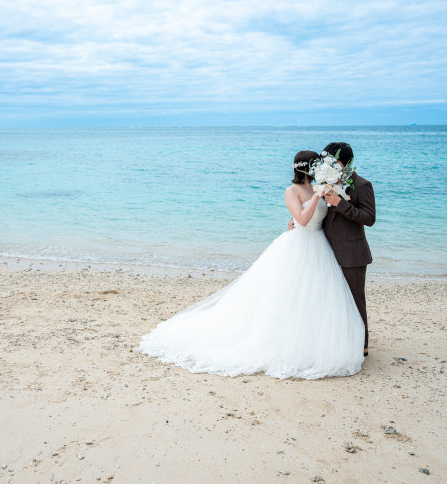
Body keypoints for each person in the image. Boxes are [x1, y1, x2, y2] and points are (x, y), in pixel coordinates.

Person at [137, 150, 365, 380]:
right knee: (287, 294)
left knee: (316, 295)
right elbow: (304, 219)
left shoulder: (318, 186)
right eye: (315, 166)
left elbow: (324, 216)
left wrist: (321, 194)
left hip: (319, 245)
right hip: (299, 245)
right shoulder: (292, 191)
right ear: (305, 167)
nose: (317, 170)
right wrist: (314, 199)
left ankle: (315, 339)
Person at [289, 142, 375, 356]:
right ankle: (340, 340)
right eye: (327, 163)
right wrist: (294, 221)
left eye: (334, 163)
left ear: (346, 163)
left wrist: (340, 203)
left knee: (355, 300)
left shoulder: (362, 185)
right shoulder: (325, 183)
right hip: (325, 252)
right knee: (334, 300)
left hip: (352, 252)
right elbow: (312, 211)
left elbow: (369, 218)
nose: (331, 167)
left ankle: (362, 346)